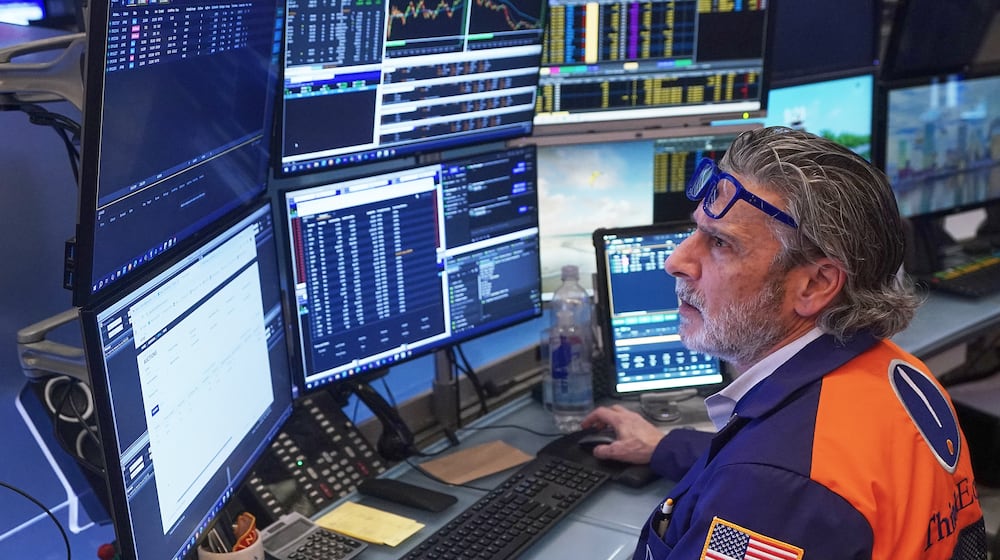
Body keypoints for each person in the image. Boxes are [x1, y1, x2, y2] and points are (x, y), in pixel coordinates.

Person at [581, 126, 987, 560]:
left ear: (815, 283)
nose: (676, 261)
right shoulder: (894, 373)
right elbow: (800, 469)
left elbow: (780, 482)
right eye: (694, 230)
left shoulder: (770, 487)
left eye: (720, 242)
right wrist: (665, 447)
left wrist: (752, 477)